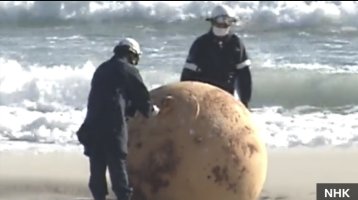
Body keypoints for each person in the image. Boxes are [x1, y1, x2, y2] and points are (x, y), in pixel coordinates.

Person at [76, 37, 160, 200]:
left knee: (97, 171)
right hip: (113, 128)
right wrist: (152, 111)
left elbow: (109, 96)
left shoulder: (101, 69)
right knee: (118, 173)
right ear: (132, 55)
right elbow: (142, 97)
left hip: (93, 126)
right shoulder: (128, 70)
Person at [180, 4, 252, 109]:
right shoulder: (200, 44)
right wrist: (186, 102)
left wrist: (245, 103)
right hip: (203, 97)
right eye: (219, 21)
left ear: (231, 22)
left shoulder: (236, 44)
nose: (222, 24)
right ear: (212, 21)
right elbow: (186, 77)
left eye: (226, 21)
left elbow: (244, 77)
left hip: (227, 97)